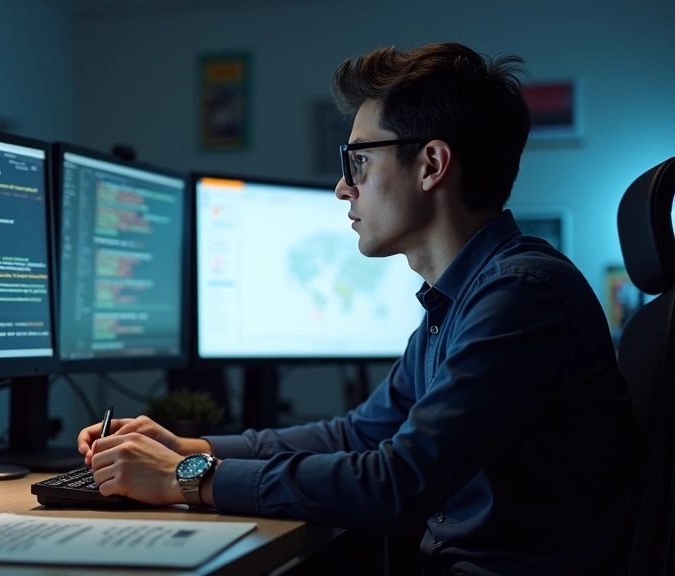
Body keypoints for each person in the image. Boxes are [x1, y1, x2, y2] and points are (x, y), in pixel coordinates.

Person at [77, 42, 633, 575]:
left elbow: (395, 482)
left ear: (432, 164)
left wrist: (187, 476)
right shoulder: (463, 299)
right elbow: (360, 435)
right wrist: (187, 446)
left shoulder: (521, 295)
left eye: (359, 160)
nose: (343, 187)